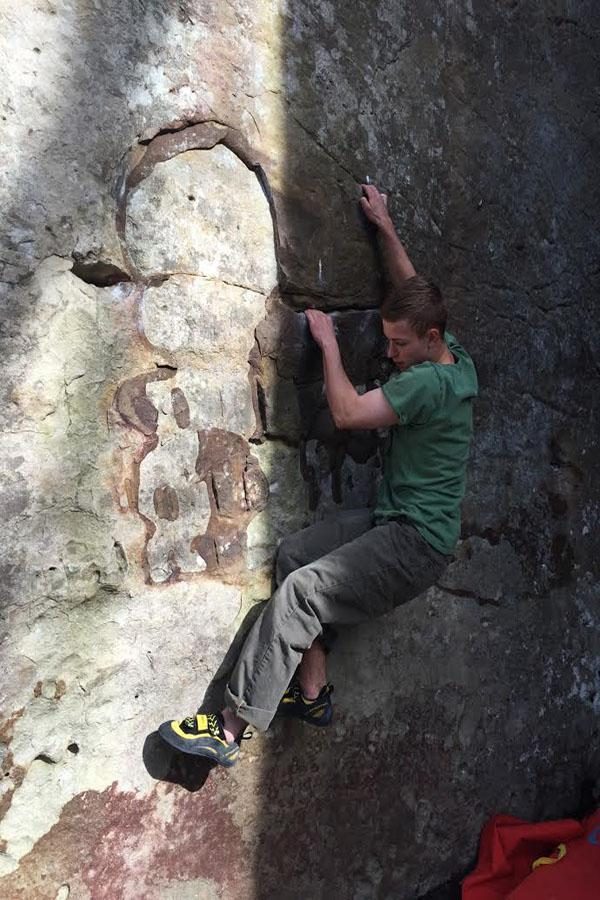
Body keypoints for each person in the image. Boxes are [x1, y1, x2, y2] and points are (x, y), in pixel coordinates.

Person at [158, 184, 479, 767]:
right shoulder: (451, 355)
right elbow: (411, 289)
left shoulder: (425, 383)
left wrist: (329, 345)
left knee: (304, 593)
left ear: (429, 341)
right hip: (396, 522)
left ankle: (229, 728)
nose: (392, 353)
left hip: (415, 545)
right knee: (295, 555)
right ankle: (312, 691)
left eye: (401, 345)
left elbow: (349, 413)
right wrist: (382, 222)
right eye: (390, 342)